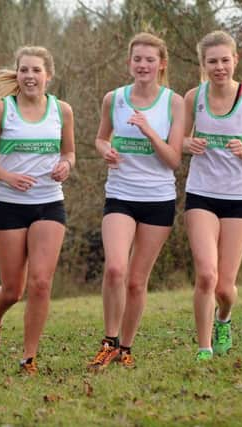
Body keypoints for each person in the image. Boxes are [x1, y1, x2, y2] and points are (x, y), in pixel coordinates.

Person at [0, 46, 75, 375]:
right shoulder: (2, 110)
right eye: (24, 70)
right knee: (13, 289)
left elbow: (69, 153)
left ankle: (28, 357)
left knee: (42, 282)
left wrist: (65, 165)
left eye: (36, 70)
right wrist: (8, 176)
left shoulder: (62, 110)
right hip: (8, 206)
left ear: (49, 75)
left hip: (49, 202)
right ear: (17, 74)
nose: (29, 76)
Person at [87, 33, 184, 370]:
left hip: (158, 198)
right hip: (121, 194)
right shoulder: (113, 99)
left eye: (149, 60)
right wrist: (105, 150)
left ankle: (126, 347)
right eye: (137, 59)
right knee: (115, 268)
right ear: (129, 63)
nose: (143, 65)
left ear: (161, 64)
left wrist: (150, 132)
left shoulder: (174, 102)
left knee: (136, 281)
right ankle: (109, 341)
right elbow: (99, 138)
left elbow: (174, 159)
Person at [184, 31, 242, 361]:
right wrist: (186, 144)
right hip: (201, 194)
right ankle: (204, 347)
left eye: (225, 60)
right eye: (212, 61)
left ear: (236, 60)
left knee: (225, 287)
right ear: (203, 65)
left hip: (239, 198)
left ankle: (223, 318)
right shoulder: (193, 98)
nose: (219, 67)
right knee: (206, 275)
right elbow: (176, 141)